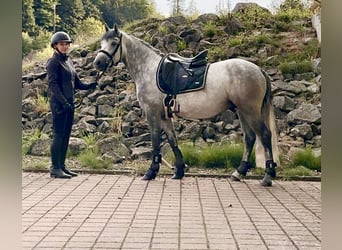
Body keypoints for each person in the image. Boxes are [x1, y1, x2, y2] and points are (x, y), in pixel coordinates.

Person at [46, 31, 97, 178]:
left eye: (66, 44)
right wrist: (64, 102)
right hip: (59, 104)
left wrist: (89, 86)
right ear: (55, 46)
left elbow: (76, 83)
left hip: (69, 104)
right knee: (58, 135)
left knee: (66, 135)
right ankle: (55, 167)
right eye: (61, 44)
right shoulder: (53, 62)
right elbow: (53, 85)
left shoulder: (68, 61)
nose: (65, 46)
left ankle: (62, 166)